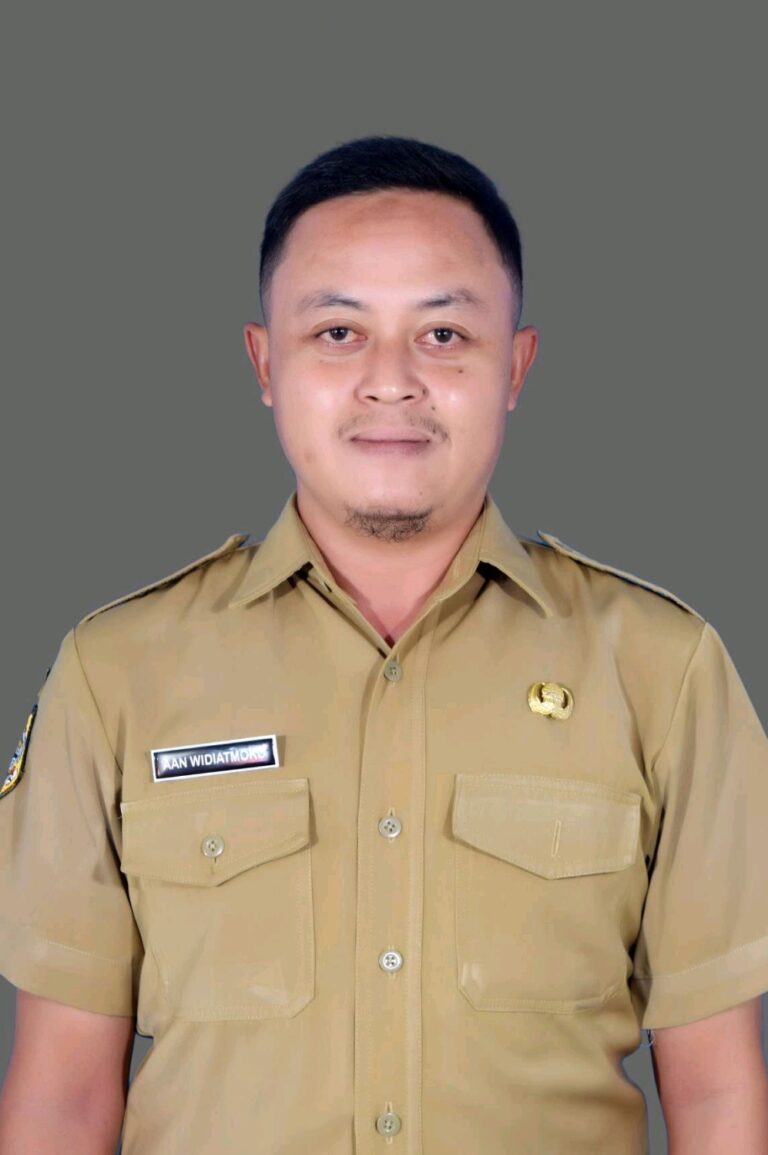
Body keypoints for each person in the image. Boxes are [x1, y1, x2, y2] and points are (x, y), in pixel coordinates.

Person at [1, 134, 767, 1155]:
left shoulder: (664, 671)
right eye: (338, 332)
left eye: (444, 333)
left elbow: (716, 1091)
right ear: (265, 363)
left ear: (516, 366)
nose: (392, 381)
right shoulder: (116, 674)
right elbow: (61, 1098)